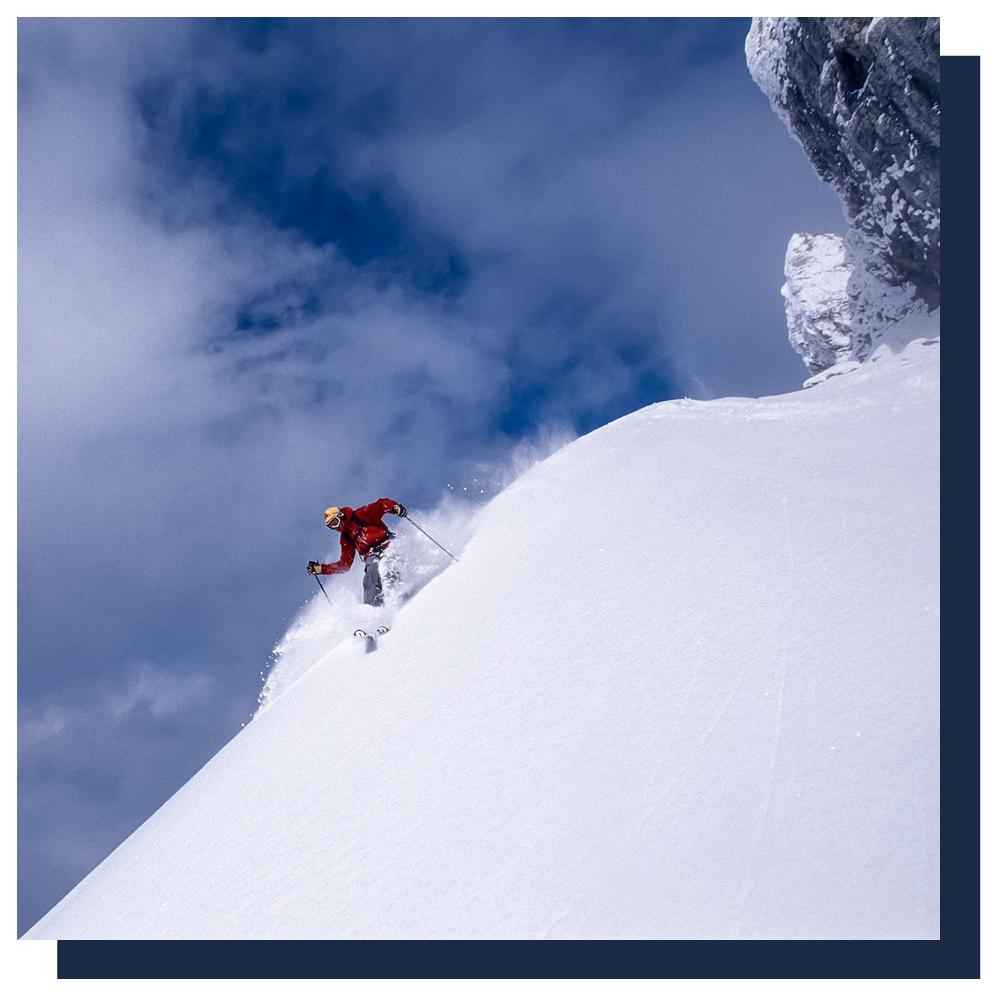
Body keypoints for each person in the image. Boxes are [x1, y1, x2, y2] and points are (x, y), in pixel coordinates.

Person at [307, 499, 407, 607]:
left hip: (387, 544)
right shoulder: (346, 538)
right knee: (369, 577)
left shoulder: (360, 515)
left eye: (335, 523)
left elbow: (380, 505)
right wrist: (321, 569)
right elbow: (345, 564)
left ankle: (398, 593)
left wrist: (394, 508)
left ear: (341, 516)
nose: (336, 528)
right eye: (331, 527)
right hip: (370, 555)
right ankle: (373, 609)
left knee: (383, 566)